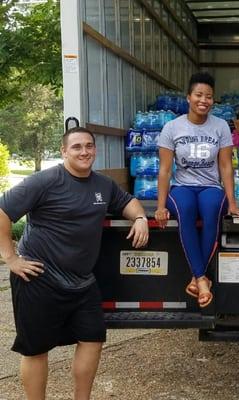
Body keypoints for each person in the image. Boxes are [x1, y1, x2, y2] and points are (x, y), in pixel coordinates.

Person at [0, 126, 149, 400]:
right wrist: (11, 258)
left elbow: (128, 202)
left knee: (93, 339)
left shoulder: (103, 185)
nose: (84, 151)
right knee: (35, 349)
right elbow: (2, 212)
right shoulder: (44, 181)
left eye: (89, 146)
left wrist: (140, 219)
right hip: (39, 278)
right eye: (77, 146)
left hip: (81, 281)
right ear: (64, 151)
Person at [155, 72, 239, 308]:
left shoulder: (221, 126)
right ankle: (202, 279)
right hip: (183, 186)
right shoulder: (172, 128)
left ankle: (198, 278)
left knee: (213, 209)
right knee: (185, 210)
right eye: (199, 95)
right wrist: (160, 206)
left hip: (211, 187)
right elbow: (164, 170)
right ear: (188, 97)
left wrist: (232, 203)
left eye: (209, 96)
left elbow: (226, 165)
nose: (203, 100)